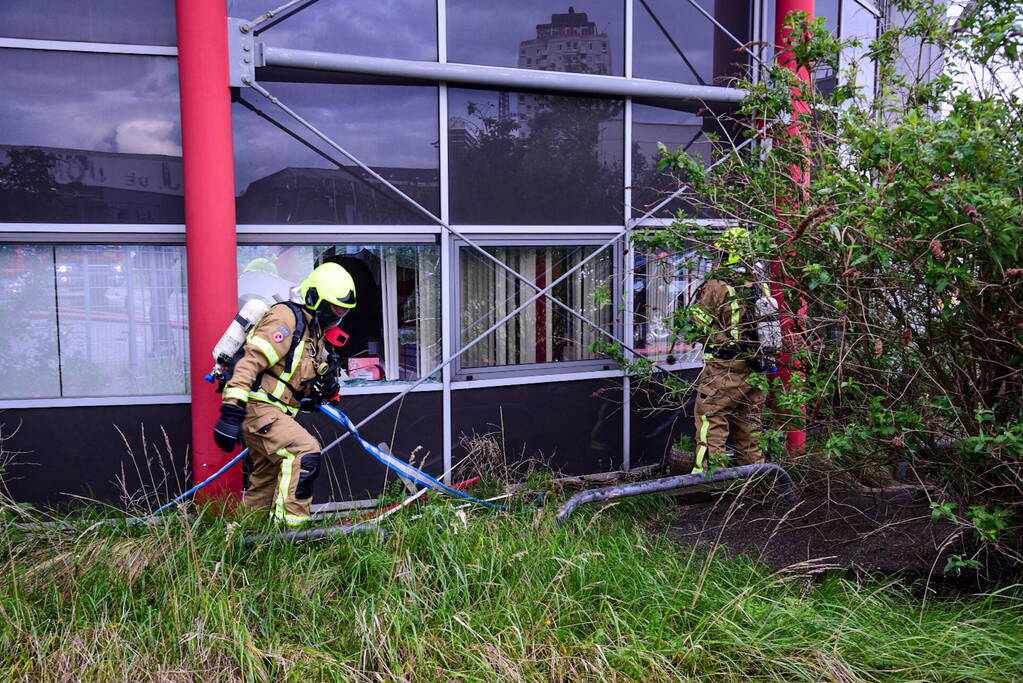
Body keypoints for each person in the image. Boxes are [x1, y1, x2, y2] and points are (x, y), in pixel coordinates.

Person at [213, 262, 356, 525]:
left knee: (266, 477)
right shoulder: (285, 319)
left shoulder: (314, 333)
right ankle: (289, 535)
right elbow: (249, 362)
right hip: (257, 407)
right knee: (305, 451)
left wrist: (318, 392)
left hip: (275, 412)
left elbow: (295, 378)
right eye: (335, 309)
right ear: (315, 298)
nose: (338, 316)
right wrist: (231, 411)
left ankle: (248, 539)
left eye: (343, 311)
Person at [689, 227, 773, 474]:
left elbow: (695, 324)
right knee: (749, 427)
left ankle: (709, 480)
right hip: (756, 368)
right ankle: (753, 480)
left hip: (724, 369)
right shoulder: (761, 285)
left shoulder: (717, 286)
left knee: (711, 419)